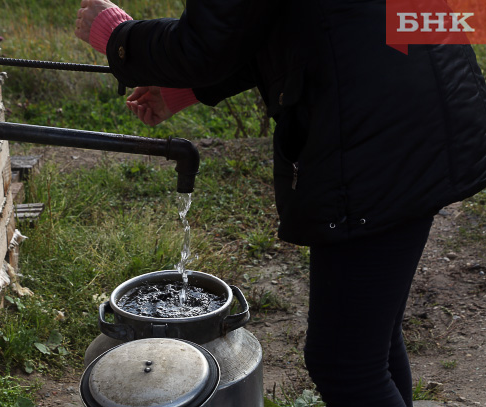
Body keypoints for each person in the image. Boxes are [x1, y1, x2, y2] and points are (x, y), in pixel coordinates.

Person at [75, 1, 486, 406]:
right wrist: (185, 90)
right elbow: (278, 20)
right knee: (367, 344)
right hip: (414, 87)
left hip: (375, 123)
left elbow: (207, 42)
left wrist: (117, 36)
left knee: (346, 364)